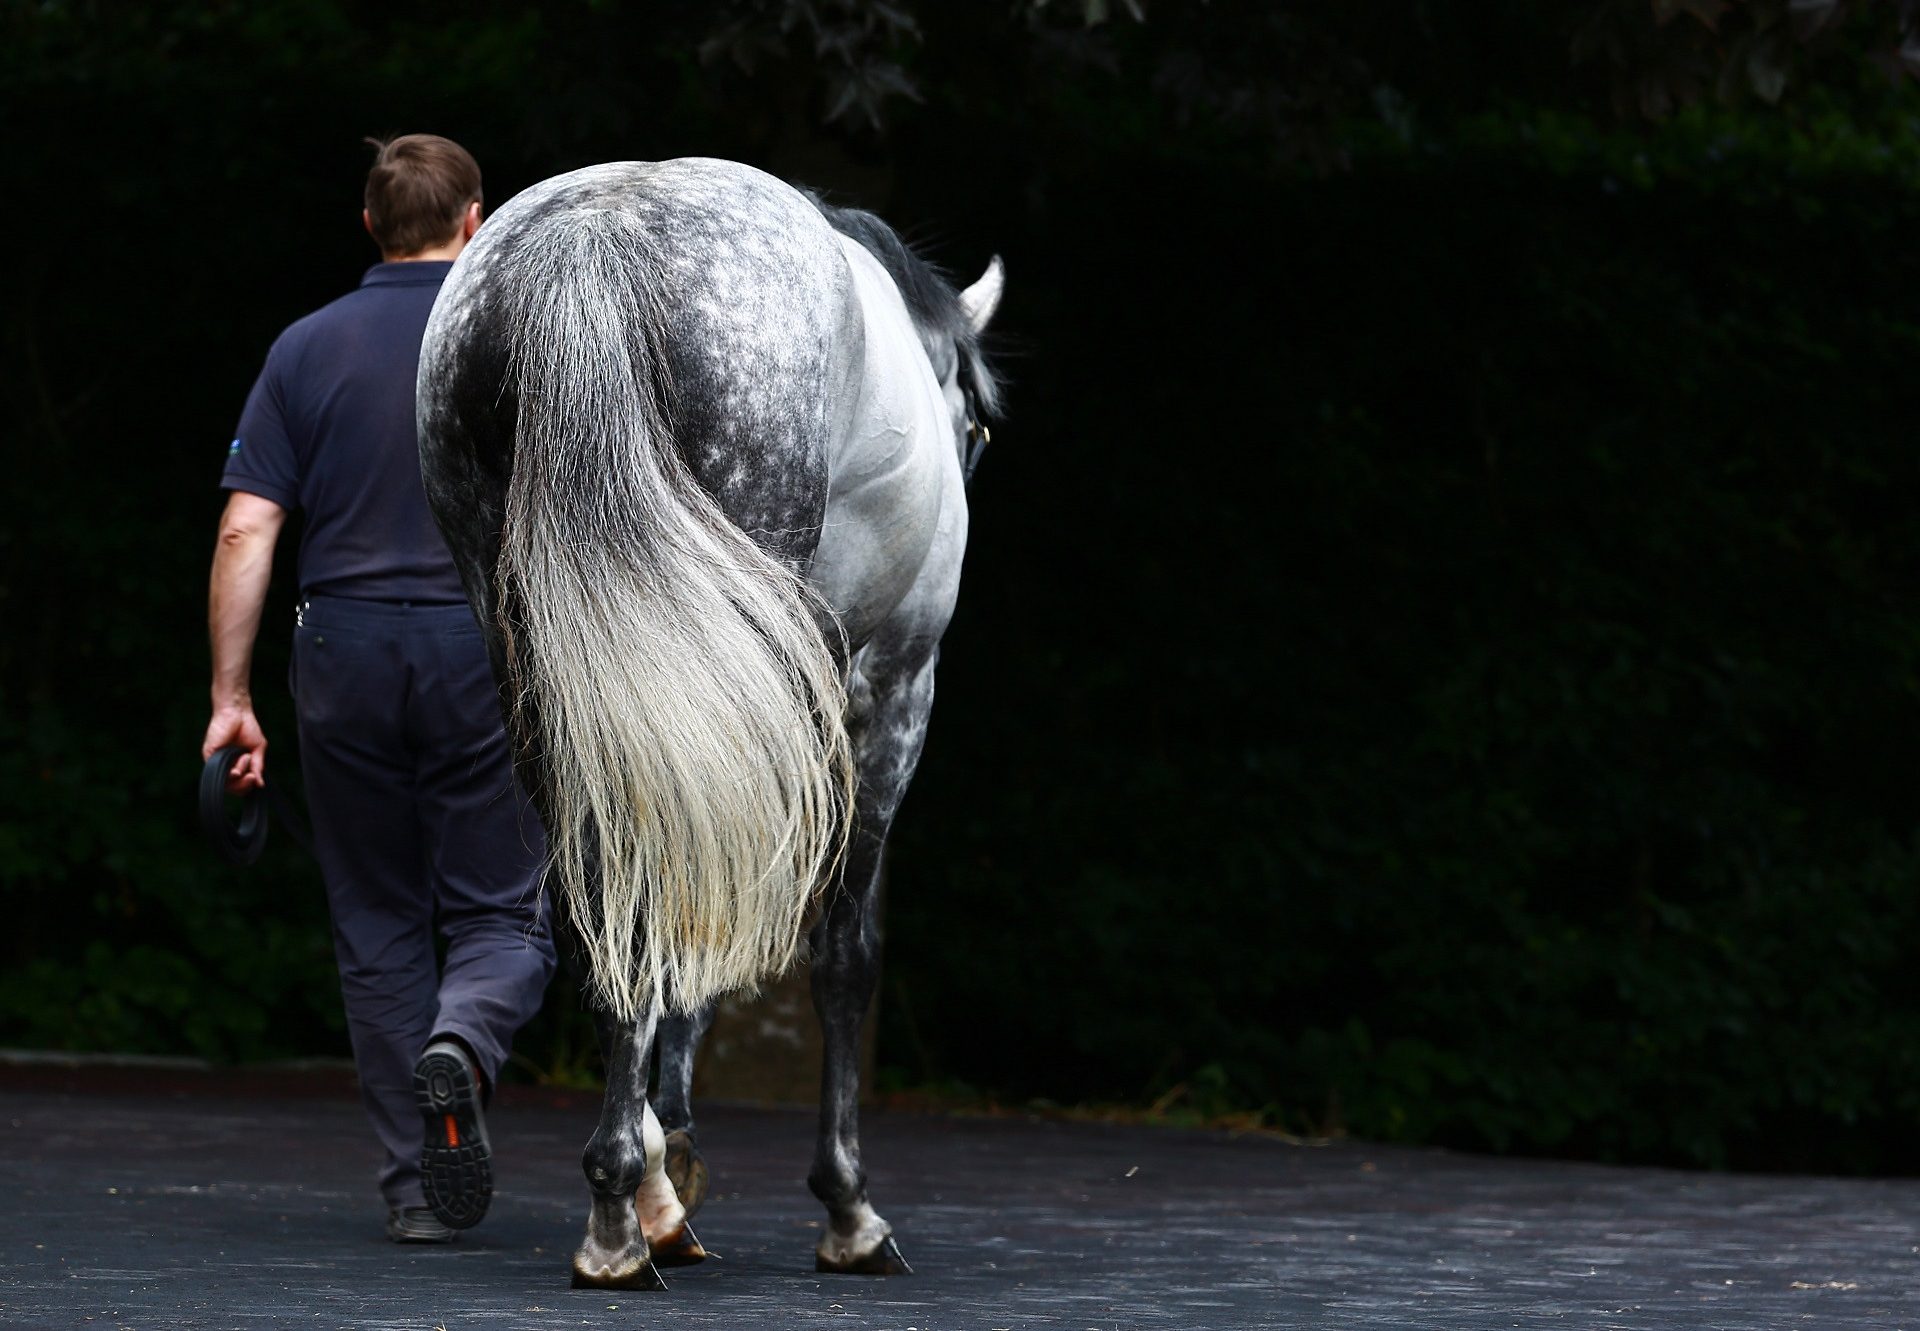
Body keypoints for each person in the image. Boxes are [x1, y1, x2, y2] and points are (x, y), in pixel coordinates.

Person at [200, 134, 556, 1244]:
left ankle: (415, 1188)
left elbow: (248, 525)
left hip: (339, 651)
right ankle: (466, 1036)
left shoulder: (304, 348)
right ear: (474, 220)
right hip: (476, 646)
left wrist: (230, 696)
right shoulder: (511, 345)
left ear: (369, 225)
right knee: (504, 911)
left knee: (376, 919)